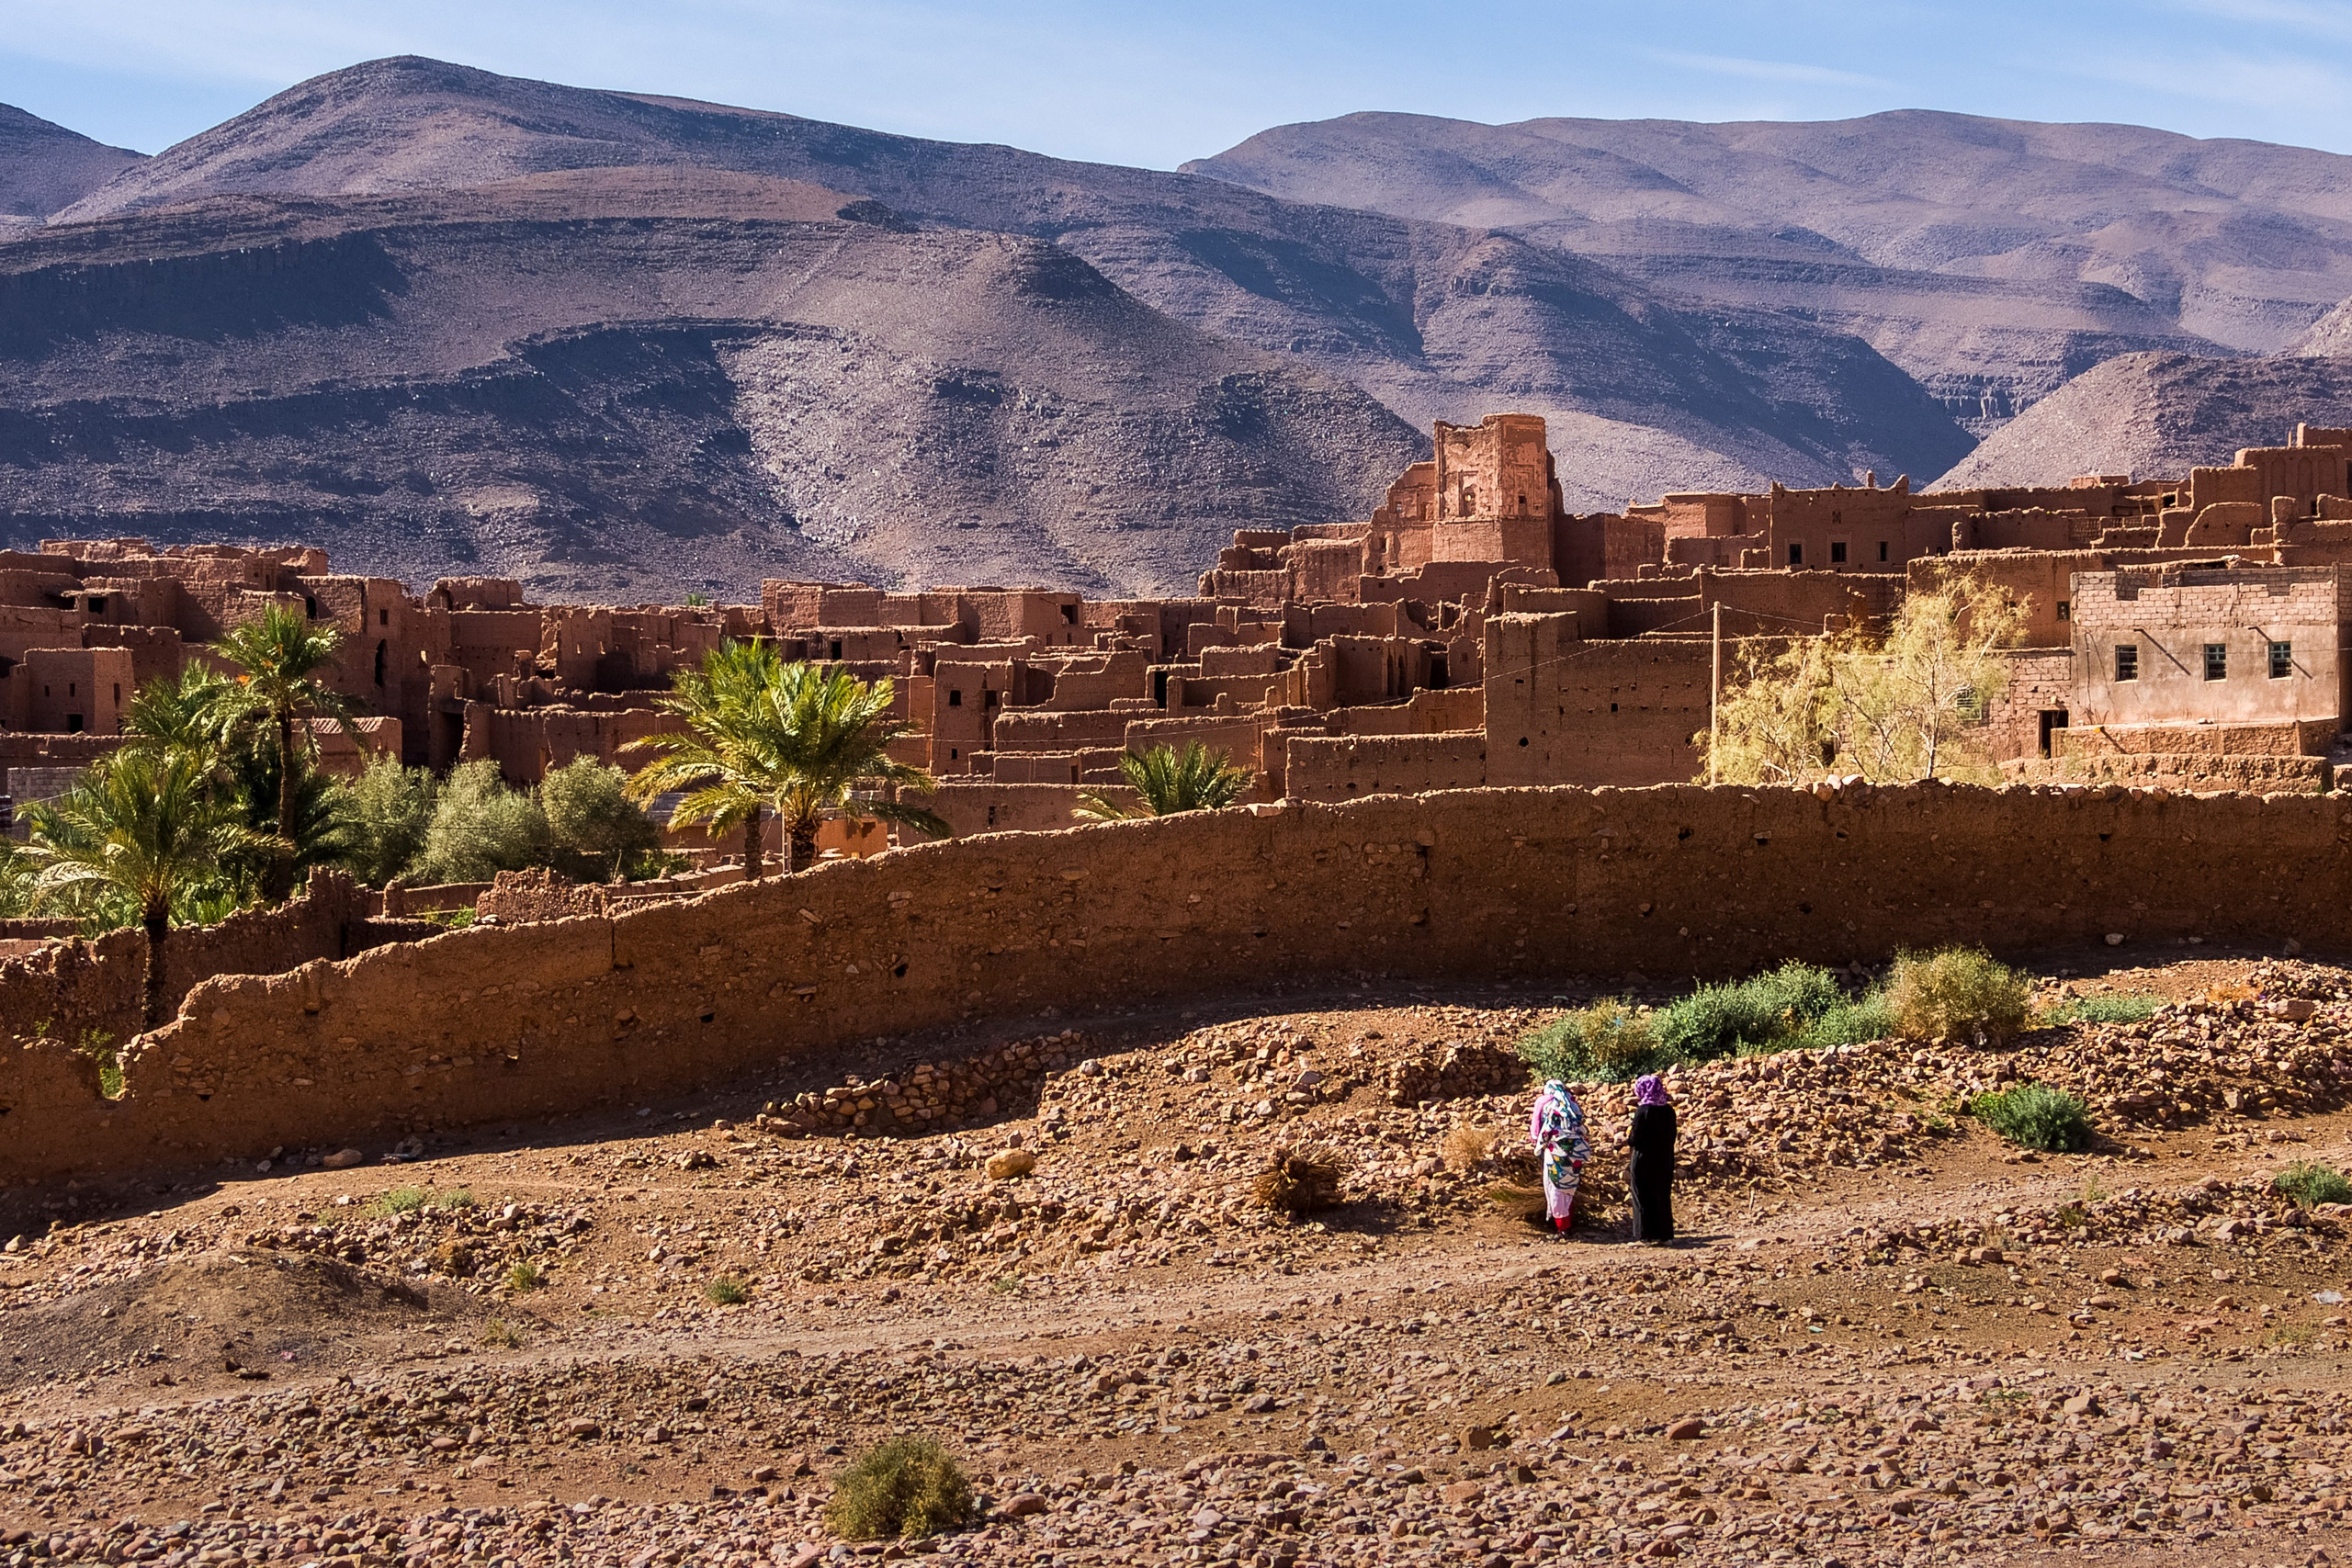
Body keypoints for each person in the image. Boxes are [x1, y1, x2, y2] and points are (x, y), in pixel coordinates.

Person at [1528, 1078, 1590, 1235]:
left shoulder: (1544, 1102)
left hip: (1556, 1151)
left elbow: (1541, 1129)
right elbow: (1582, 1128)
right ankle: (1568, 1222)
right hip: (1576, 1152)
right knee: (1569, 1188)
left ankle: (1563, 1228)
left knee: (1555, 1188)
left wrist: (1538, 1146)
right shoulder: (1572, 1103)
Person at [1629, 1074, 1677, 1245]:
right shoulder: (1669, 1111)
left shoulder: (1643, 1111)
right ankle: (1665, 1235)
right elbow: (1672, 1136)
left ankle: (1644, 1235)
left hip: (1643, 1160)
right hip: (1664, 1160)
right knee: (1662, 1194)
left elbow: (1634, 1139)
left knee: (1641, 1195)